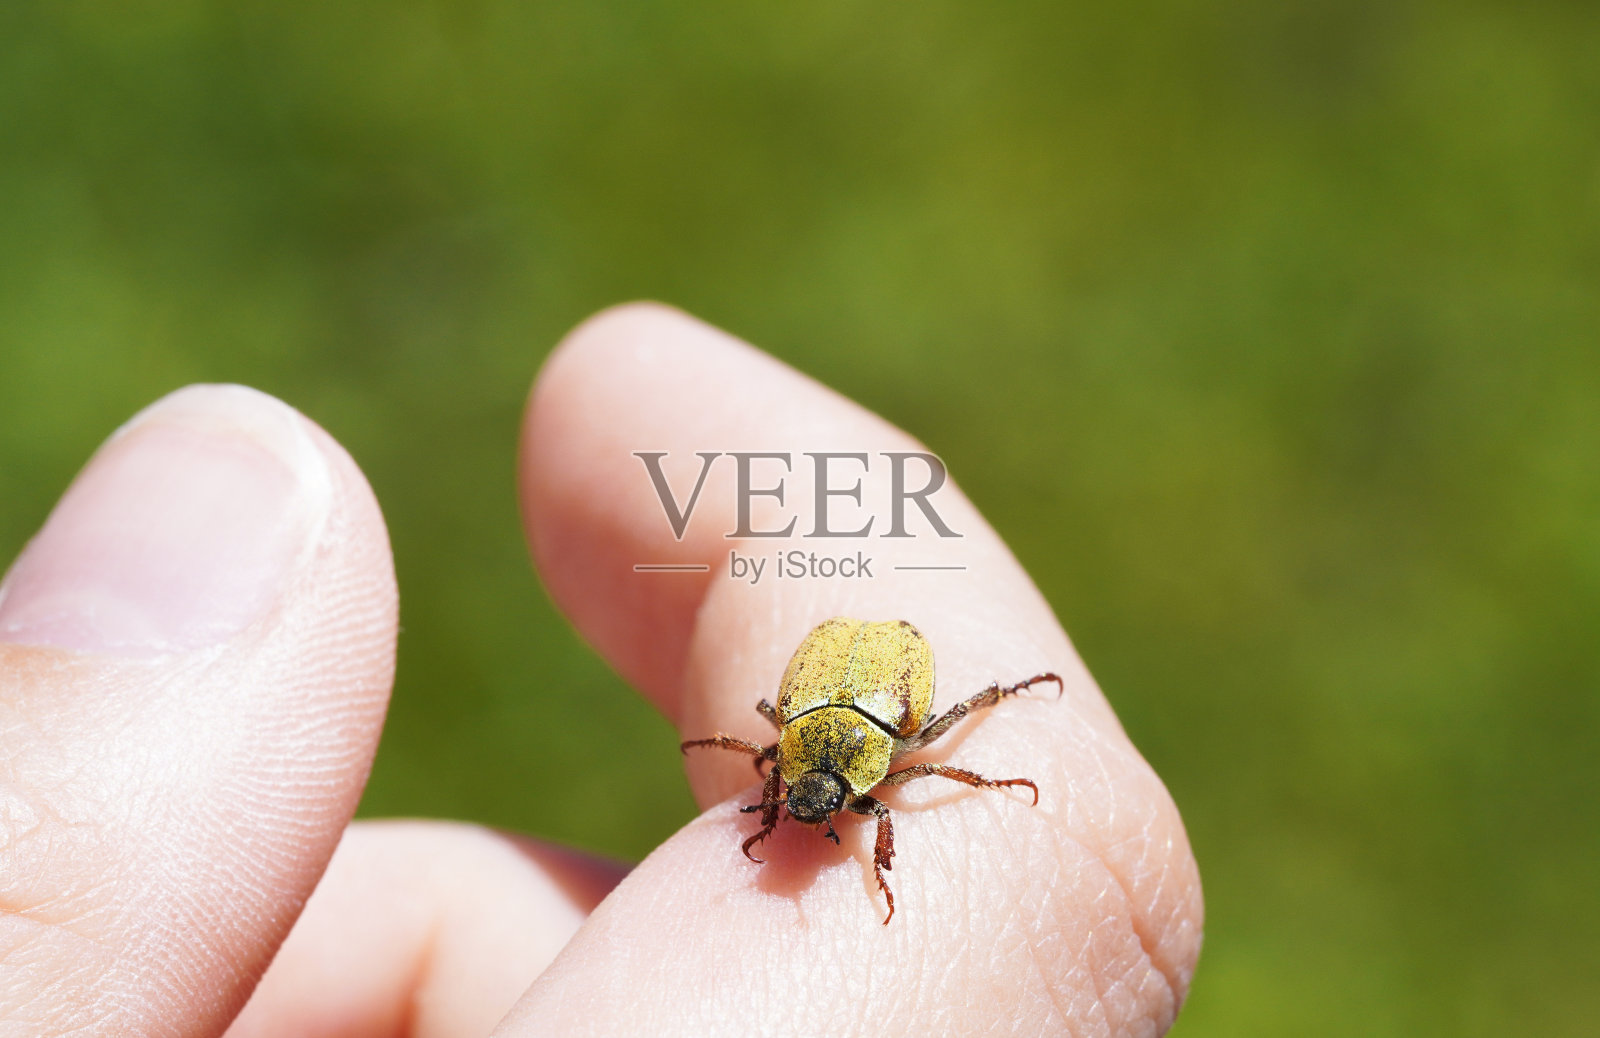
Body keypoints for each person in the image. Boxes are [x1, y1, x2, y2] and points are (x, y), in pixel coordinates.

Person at [0, 304, 1202, 1036]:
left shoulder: (873, 763)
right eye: (807, 798)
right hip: (845, 676)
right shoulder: (804, 759)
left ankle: (991, 757)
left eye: (816, 802)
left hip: (862, 672)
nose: (809, 813)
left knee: (971, 755)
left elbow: (850, 762)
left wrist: (934, 782)